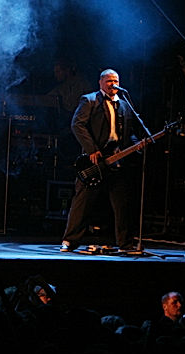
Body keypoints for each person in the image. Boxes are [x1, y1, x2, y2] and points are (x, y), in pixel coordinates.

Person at [60, 68, 140, 253]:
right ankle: (70, 240)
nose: (114, 84)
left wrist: (136, 145)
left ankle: (125, 243)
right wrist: (92, 149)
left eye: (116, 81)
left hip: (118, 161)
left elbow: (131, 131)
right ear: (101, 82)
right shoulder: (89, 100)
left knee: (122, 205)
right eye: (110, 81)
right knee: (83, 202)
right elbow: (77, 125)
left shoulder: (125, 104)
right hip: (95, 160)